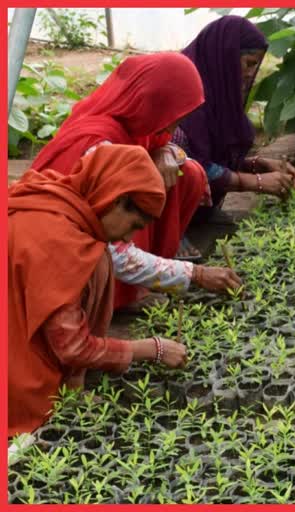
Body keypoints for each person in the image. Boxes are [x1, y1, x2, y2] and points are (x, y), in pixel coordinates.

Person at [29, 52, 241, 310]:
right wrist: (193, 275)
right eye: (174, 118)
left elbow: (174, 149)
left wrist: (166, 151)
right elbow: (113, 252)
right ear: (153, 101)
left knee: (189, 172)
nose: (171, 130)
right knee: (140, 187)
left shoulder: (136, 125)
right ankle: (115, 296)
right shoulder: (97, 145)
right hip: (59, 258)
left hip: (102, 238)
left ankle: (140, 281)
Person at [9, 145, 189, 436]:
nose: (129, 237)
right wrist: (151, 349)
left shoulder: (54, 197)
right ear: (117, 199)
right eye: (133, 225)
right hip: (15, 378)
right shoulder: (60, 242)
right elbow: (72, 347)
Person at [174, 14, 295, 224]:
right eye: (248, 63)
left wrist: (257, 165)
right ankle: (172, 234)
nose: (251, 74)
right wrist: (257, 182)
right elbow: (192, 164)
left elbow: (212, 154)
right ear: (225, 56)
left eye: (256, 66)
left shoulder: (215, 90)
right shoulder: (185, 91)